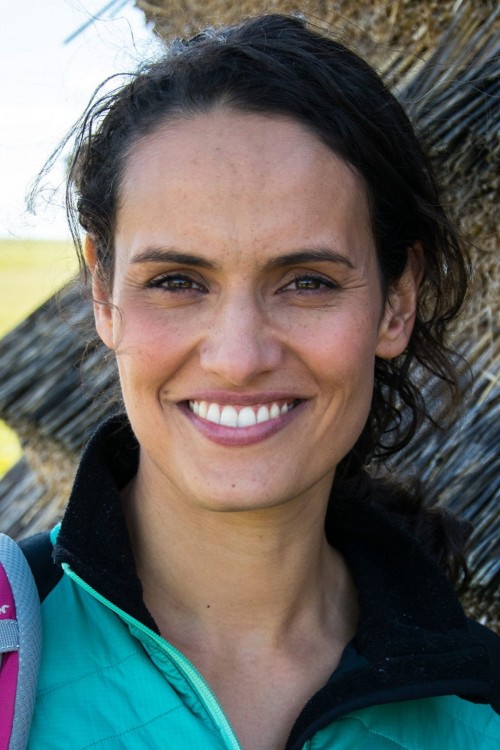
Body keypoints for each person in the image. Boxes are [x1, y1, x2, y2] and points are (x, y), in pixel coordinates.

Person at [26, 13, 499, 750]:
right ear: (103, 294)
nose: (239, 357)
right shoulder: (12, 655)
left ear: (396, 303)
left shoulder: (481, 711)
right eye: (177, 281)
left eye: (307, 281)